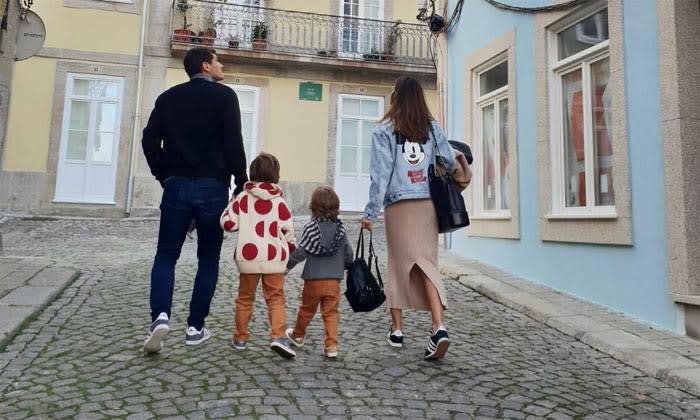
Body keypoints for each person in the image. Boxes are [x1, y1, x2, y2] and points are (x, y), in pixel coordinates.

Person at [141, 47, 248, 353]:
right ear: (205, 64)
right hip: (213, 187)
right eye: (217, 60)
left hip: (176, 186)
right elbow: (233, 142)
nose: (221, 64)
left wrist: (164, 174)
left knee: (165, 256)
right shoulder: (225, 97)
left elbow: (149, 139)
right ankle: (195, 327)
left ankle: (160, 317)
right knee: (208, 258)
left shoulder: (168, 97)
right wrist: (240, 182)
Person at [360, 76, 456, 361]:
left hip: (398, 205)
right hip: (428, 204)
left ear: (396, 97)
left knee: (398, 264)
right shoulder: (433, 126)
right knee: (427, 263)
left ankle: (397, 329)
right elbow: (449, 161)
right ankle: (438, 327)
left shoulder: (385, 130)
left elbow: (381, 174)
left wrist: (370, 213)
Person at [220, 153, 297, 359]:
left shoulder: (243, 198)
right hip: (273, 258)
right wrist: (290, 248)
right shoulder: (280, 202)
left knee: (245, 299)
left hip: (248, 257)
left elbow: (229, 224)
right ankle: (278, 337)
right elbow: (288, 229)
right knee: (276, 299)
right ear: (276, 175)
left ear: (252, 173)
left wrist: (230, 204)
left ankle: (240, 338)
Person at [285, 186, 353, 359]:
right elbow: (349, 253)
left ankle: (298, 335)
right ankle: (331, 346)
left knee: (307, 310)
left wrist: (287, 267)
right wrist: (346, 266)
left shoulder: (311, 229)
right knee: (331, 313)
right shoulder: (341, 230)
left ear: (313, 207)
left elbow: (301, 253)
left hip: (313, 280)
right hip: (334, 281)